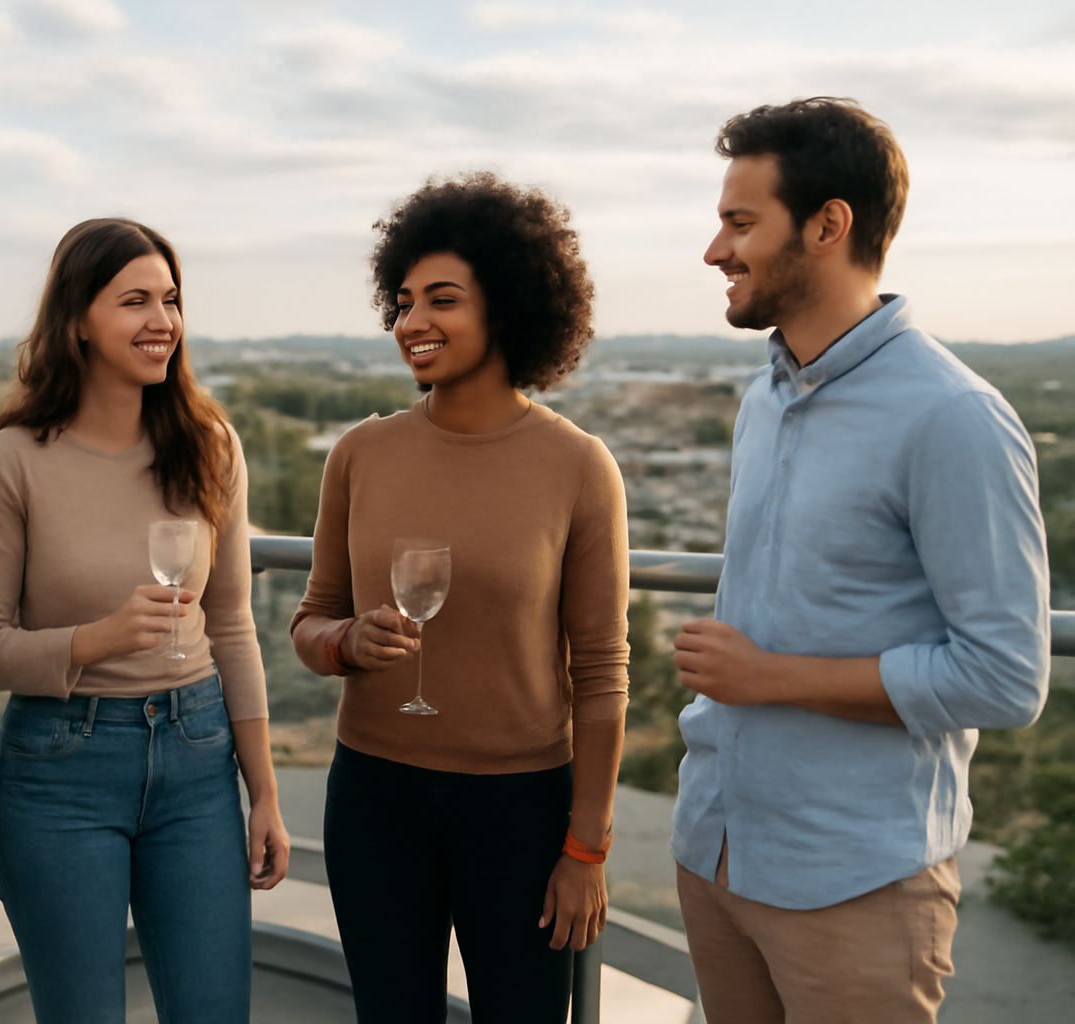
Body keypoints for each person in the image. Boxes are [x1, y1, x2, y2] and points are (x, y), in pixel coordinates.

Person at [672, 97, 1051, 1024]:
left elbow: (1007, 678)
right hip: (716, 851)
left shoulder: (953, 417)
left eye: (740, 222)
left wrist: (771, 678)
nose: (715, 251)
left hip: (854, 884)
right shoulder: (764, 397)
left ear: (828, 226)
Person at [290, 172, 630, 1022]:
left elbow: (601, 670)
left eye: (442, 299)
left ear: (510, 305)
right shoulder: (360, 454)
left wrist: (586, 845)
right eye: (402, 302)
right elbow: (310, 622)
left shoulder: (579, 466)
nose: (412, 323)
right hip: (373, 795)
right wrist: (345, 645)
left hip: (520, 810)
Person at [0, 217, 289, 1024]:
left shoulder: (210, 446)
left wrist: (263, 793)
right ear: (77, 321)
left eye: (170, 299)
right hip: (61, 767)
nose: (162, 320)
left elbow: (232, 626)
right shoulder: (8, 463)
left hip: (199, 759)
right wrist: (95, 641)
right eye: (134, 300)